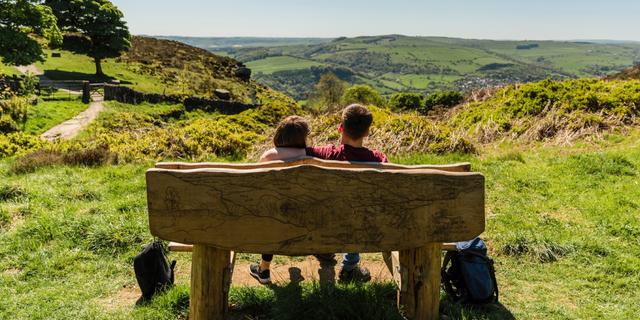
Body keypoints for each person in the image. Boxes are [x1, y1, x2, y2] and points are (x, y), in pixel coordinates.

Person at [306, 104, 388, 282]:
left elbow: (296, 150)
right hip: (362, 228)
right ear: (367, 132)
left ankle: (331, 260)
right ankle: (350, 267)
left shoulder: (325, 154)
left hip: (325, 225)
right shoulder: (379, 160)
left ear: (340, 128)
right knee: (358, 210)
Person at [249, 115, 310, 284]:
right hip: (304, 218)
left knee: (272, 213)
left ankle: (264, 269)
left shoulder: (269, 156)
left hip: (271, 220)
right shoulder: (310, 156)